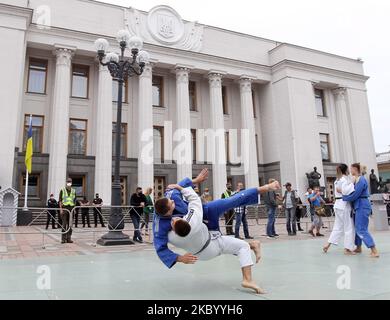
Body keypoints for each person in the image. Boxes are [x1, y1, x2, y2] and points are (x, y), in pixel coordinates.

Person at [153, 167, 280, 269]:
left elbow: (180, 185)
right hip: (200, 225)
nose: (173, 201)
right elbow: (160, 249)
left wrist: (196, 180)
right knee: (219, 245)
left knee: (231, 201)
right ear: (168, 213)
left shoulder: (171, 195)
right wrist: (180, 259)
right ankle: (249, 246)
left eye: (172, 200)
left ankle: (266, 187)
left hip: (204, 210)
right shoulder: (159, 227)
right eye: (172, 204)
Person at [166, 184, 265, 294]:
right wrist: (179, 187)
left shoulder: (171, 237)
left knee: (233, 246)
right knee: (242, 247)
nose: (174, 218)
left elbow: (161, 236)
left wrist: (180, 258)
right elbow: (195, 200)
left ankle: (253, 245)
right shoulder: (194, 221)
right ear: (185, 220)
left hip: (199, 254)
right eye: (175, 220)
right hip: (212, 245)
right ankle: (248, 279)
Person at [343, 163, 380, 258]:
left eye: (351, 169)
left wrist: (343, 197)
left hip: (362, 205)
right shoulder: (356, 179)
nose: (350, 171)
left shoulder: (361, 180)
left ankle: (373, 249)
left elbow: (355, 194)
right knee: (357, 227)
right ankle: (358, 247)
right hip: (358, 205)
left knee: (361, 228)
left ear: (355, 169)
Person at [323, 164, 356, 255]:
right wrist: (352, 183)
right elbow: (347, 191)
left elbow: (340, 190)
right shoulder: (345, 179)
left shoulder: (337, 180)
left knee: (337, 227)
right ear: (345, 170)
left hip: (337, 205)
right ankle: (348, 249)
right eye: (348, 169)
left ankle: (327, 245)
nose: (349, 171)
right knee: (349, 227)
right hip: (344, 204)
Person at [58, 178, 76, 244]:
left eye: (70, 181)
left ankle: (69, 238)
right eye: (68, 181)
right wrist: (61, 209)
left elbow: (74, 200)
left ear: (71, 183)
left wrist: (74, 209)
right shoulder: (62, 190)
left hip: (71, 209)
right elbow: (60, 200)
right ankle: (63, 239)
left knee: (70, 225)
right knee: (64, 224)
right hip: (65, 208)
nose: (69, 183)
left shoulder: (73, 191)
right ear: (66, 182)